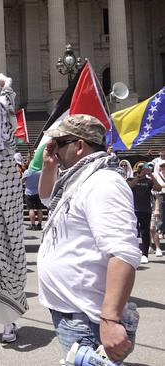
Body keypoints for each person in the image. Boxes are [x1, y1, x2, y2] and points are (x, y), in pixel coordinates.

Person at [37, 114, 141, 364]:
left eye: (59, 144)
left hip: (88, 319)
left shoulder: (104, 183)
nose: (53, 150)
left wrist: (110, 319)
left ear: (79, 145)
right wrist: (49, 165)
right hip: (74, 313)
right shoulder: (81, 177)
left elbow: (123, 254)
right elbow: (46, 199)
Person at [127, 162, 161, 264]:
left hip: (145, 210)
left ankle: (145, 254)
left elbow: (158, 188)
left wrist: (151, 175)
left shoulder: (149, 181)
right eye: (140, 167)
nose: (142, 169)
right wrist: (139, 176)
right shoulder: (131, 179)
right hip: (133, 210)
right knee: (132, 232)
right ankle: (133, 252)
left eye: (144, 168)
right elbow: (129, 187)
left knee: (145, 232)